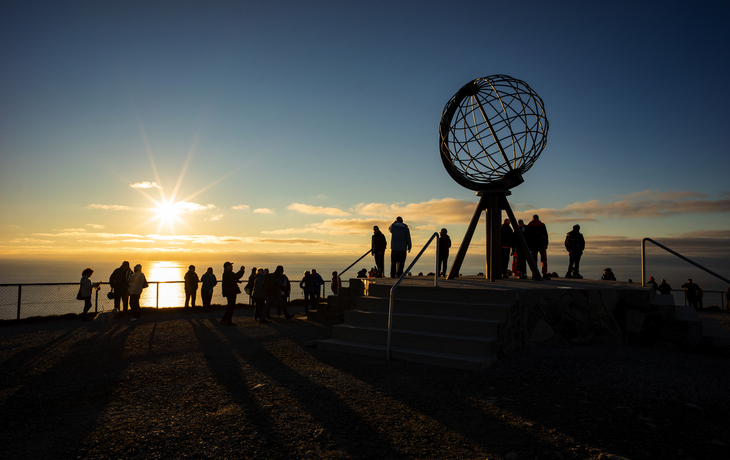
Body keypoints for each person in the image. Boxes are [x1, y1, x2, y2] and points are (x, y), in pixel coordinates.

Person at [526, 215, 549, 279]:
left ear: (532, 218)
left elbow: (527, 237)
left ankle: (534, 274)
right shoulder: (542, 225)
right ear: (538, 218)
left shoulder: (529, 225)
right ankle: (544, 274)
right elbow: (546, 235)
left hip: (533, 245)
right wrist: (546, 244)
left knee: (534, 260)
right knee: (544, 260)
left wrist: (529, 246)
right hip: (542, 245)